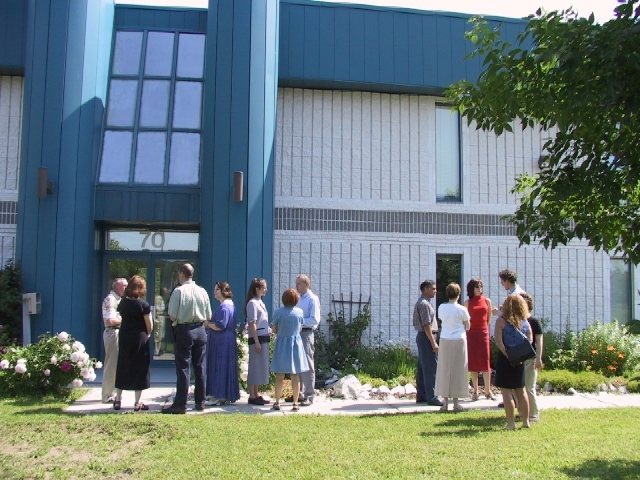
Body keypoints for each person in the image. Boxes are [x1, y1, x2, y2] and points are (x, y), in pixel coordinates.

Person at [162, 264, 212, 414]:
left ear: (182, 274)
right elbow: (209, 316)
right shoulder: (202, 291)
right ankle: (200, 401)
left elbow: (172, 315)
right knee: (199, 366)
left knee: (183, 367)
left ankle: (180, 404)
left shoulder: (179, 291)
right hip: (200, 330)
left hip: (185, 330)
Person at [113, 275, 152, 411]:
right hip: (139, 337)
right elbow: (149, 325)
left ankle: (118, 399)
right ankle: (137, 402)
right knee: (140, 367)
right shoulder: (143, 305)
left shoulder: (123, 303)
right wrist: (148, 333)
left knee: (123, 364)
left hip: (124, 336)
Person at [494, 294, 532, 429]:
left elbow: (498, 341)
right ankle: (526, 422)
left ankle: (510, 423)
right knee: (521, 391)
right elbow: (530, 339)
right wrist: (520, 355)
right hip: (520, 360)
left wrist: (508, 354)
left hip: (506, 359)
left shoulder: (501, 321)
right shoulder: (525, 321)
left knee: (506, 392)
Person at [270, 288, 310, 412]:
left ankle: (277, 402)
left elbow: (274, 329)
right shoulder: (299, 312)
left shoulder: (278, 312)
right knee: (295, 375)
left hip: (282, 343)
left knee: (280, 375)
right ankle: (295, 403)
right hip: (296, 344)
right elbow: (300, 328)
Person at [435, 283, 471, 412]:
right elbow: (468, 326)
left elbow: (441, 320)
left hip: (445, 339)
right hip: (459, 340)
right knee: (458, 369)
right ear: (458, 294)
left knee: (444, 369)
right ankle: (456, 403)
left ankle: (445, 403)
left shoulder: (441, 307)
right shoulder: (462, 309)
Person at [204, 281, 240, 405]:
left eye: (217, 290)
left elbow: (220, 325)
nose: (215, 292)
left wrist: (207, 324)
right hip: (226, 341)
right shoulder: (229, 305)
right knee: (224, 367)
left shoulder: (225, 307)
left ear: (224, 291)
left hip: (222, 343)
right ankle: (223, 394)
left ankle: (220, 395)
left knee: (221, 367)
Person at [464, 278, 496, 401]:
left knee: (486, 362)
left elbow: (489, 319)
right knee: (473, 363)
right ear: (472, 289)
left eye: (481, 286)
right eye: (477, 287)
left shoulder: (487, 301)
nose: (480, 289)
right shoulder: (467, 303)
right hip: (472, 334)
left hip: (483, 333)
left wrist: (485, 330)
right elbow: (465, 319)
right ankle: (475, 391)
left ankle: (488, 391)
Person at [413, 280, 443, 406]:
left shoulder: (423, 302)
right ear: (426, 289)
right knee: (431, 368)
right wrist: (433, 342)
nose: (435, 291)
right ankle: (432, 396)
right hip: (427, 337)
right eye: (433, 288)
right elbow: (426, 325)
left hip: (423, 337)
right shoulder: (424, 304)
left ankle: (423, 395)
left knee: (422, 367)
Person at [295, 274, 321, 405]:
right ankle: (298, 393)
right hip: (297, 333)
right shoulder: (298, 298)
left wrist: (299, 321)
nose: (296, 286)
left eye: (298, 283)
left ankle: (309, 395)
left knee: (308, 364)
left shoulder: (312, 299)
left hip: (306, 333)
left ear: (306, 284)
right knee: (297, 363)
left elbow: (314, 320)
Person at [245, 277, 271, 405]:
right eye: (264, 287)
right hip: (257, 338)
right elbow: (252, 323)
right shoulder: (252, 303)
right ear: (257, 289)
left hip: (263, 337)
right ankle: (252, 394)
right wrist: (256, 341)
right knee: (254, 365)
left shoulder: (260, 302)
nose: (266, 290)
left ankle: (256, 392)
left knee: (260, 366)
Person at [101, 277, 127, 404]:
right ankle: (107, 395)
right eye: (124, 286)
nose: (126, 288)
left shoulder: (119, 300)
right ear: (116, 286)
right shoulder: (111, 300)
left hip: (118, 332)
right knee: (111, 365)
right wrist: (127, 319)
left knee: (117, 365)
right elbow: (110, 320)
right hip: (112, 332)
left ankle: (114, 393)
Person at [520, 292, 543, 423]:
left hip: (531, 359)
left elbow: (539, 341)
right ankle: (524, 412)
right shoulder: (517, 321)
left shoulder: (533, 321)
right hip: (519, 359)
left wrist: (538, 358)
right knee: (520, 388)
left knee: (529, 387)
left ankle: (534, 414)